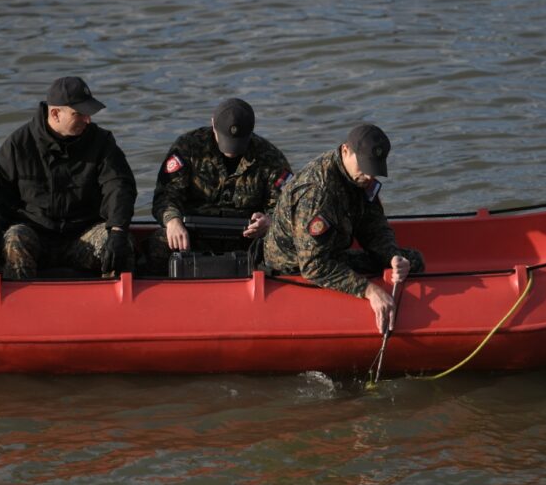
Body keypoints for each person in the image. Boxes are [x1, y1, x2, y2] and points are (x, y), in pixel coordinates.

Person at [262, 123, 425, 333]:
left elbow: (373, 225)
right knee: (415, 260)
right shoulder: (317, 193)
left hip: (329, 249)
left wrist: (391, 256)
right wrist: (369, 290)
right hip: (293, 264)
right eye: (364, 167)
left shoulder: (359, 178)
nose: (368, 176)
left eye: (373, 170)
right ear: (345, 150)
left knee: (410, 260)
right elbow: (314, 266)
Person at [0, 76, 137, 279]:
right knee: (15, 239)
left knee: (119, 244)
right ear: (55, 113)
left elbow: (119, 187)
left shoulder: (101, 142)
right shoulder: (19, 144)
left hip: (82, 237)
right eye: (80, 114)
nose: (88, 120)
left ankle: (116, 307)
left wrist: (118, 230)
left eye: (90, 114)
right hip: (36, 237)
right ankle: (20, 306)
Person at [147, 98, 293, 271]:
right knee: (159, 243)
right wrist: (173, 221)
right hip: (193, 234)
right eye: (225, 140)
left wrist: (269, 221)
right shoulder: (188, 148)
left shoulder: (270, 157)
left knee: (287, 249)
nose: (231, 150)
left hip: (247, 239)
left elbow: (287, 206)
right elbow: (166, 195)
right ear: (213, 125)